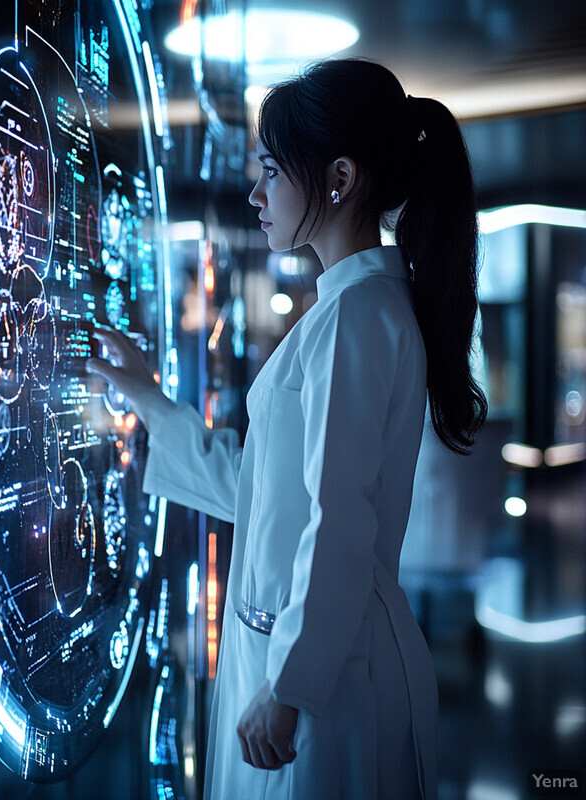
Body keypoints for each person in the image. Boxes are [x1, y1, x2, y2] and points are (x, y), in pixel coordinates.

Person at [86, 58, 487, 800]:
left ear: (337, 179)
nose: (255, 193)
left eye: (270, 171)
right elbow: (266, 491)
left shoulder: (358, 319)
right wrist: (149, 398)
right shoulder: (349, 312)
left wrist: (290, 686)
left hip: (325, 674)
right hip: (307, 654)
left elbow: (339, 519)